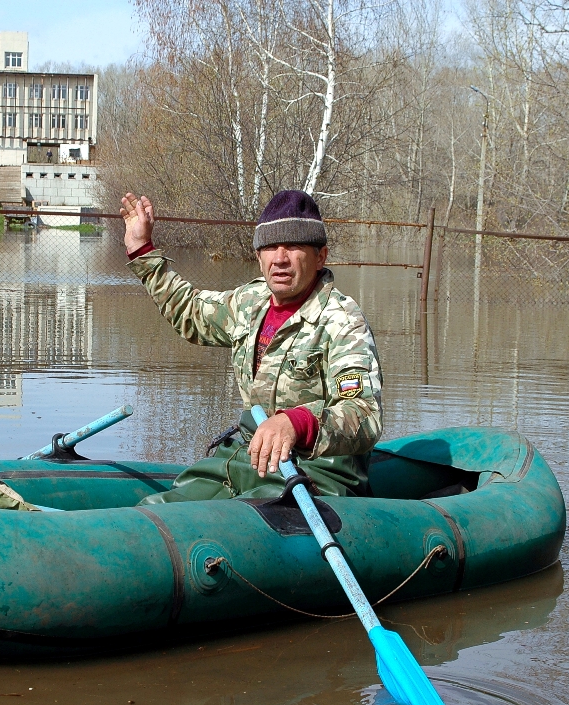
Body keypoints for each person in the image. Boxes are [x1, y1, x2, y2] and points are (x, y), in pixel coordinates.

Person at [120, 190, 383, 502]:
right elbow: (189, 311)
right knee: (158, 509)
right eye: (270, 247)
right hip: (248, 458)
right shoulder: (249, 302)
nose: (280, 258)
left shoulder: (342, 320)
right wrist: (141, 250)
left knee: (240, 523)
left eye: (294, 246)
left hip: (318, 472)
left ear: (320, 256)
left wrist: (295, 423)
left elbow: (365, 416)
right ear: (259, 258)